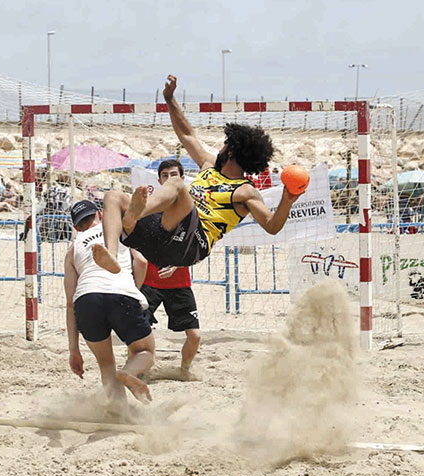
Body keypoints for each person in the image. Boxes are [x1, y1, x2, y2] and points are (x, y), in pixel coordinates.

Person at [93, 75, 302, 273]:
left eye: (223, 145)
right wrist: (169, 99)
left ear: (230, 152)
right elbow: (186, 134)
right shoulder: (209, 165)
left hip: (192, 244)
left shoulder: (245, 191)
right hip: (159, 239)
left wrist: (287, 200)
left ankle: (136, 214)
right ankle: (111, 254)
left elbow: (272, 226)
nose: (219, 148)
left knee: (177, 184)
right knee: (113, 196)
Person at [64, 200, 156, 405]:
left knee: (106, 365)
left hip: (86, 298)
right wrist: (134, 290)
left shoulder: (72, 249)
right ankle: (128, 372)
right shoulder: (117, 231)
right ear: (99, 214)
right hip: (120, 291)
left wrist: (74, 350)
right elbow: (141, 262)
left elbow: (70, 304)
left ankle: (119, 413)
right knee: (145, 351)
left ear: (76, 226)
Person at [139, 160, 201, 377]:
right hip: (150, 282)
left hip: (179, 283)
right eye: (164, 175)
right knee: (137, 329)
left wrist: (177, 264)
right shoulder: (150, 207)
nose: (169, 179)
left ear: (182, 179)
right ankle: (145, 367)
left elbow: (200, 250)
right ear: (159, 180)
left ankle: (184, 370)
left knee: (194, 336)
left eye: (173, 174)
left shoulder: (190, 211)